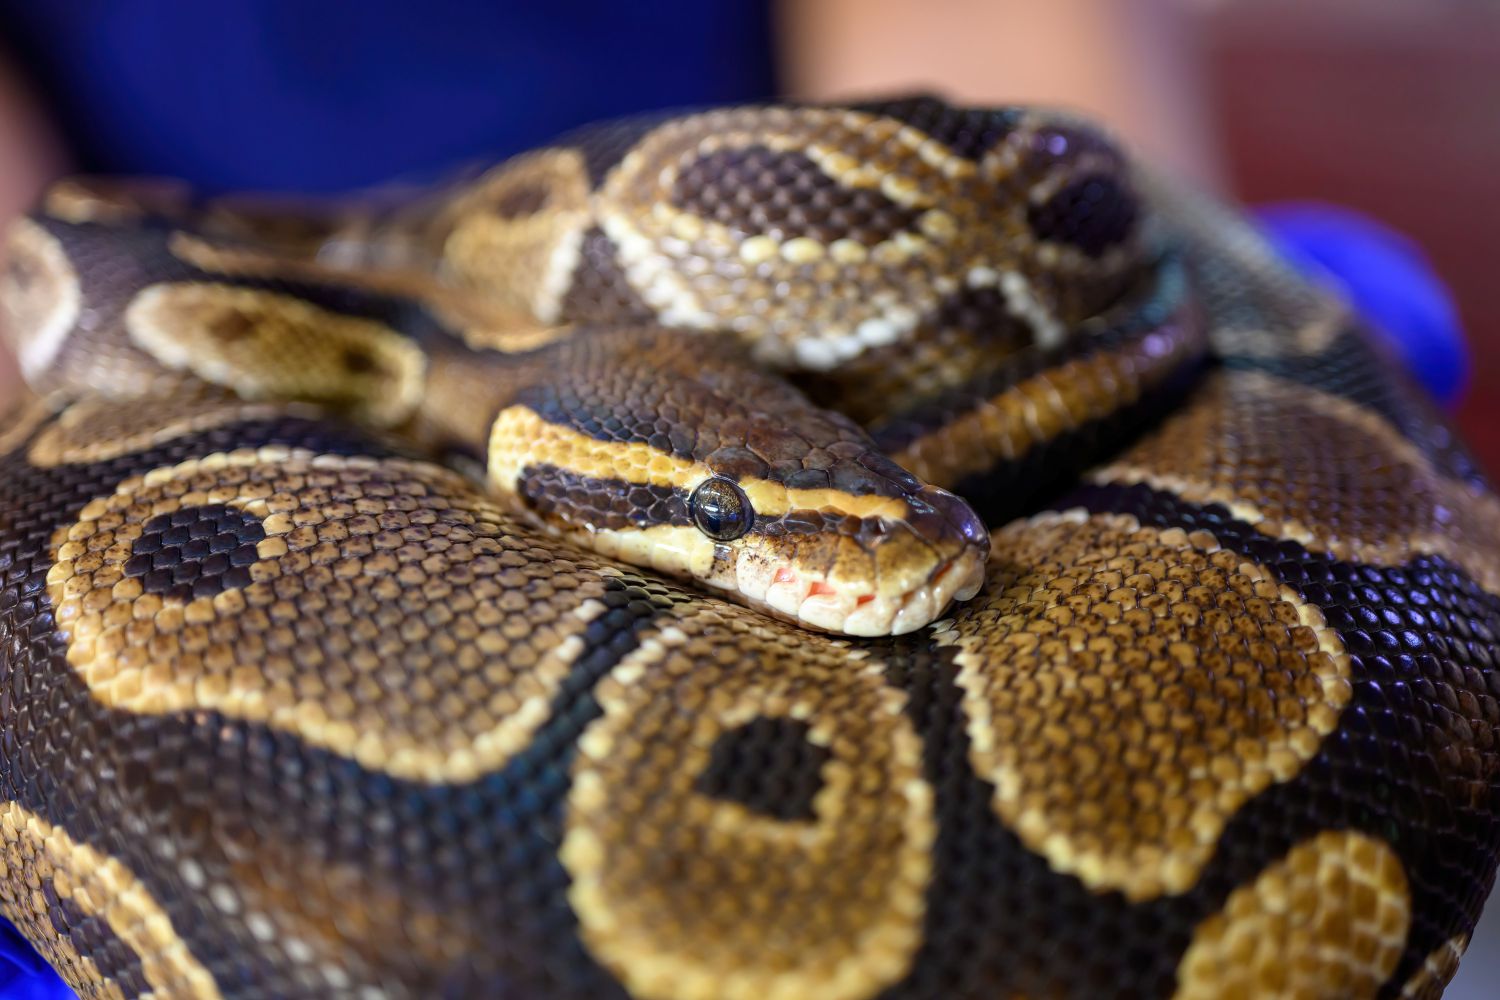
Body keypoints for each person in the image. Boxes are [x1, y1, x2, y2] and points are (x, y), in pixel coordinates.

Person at [0, 1, 1468, 995]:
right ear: (523, 473)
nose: (885, 546)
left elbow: (1023, 97)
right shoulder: (200, 291)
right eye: (718, 516)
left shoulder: (600, 386)